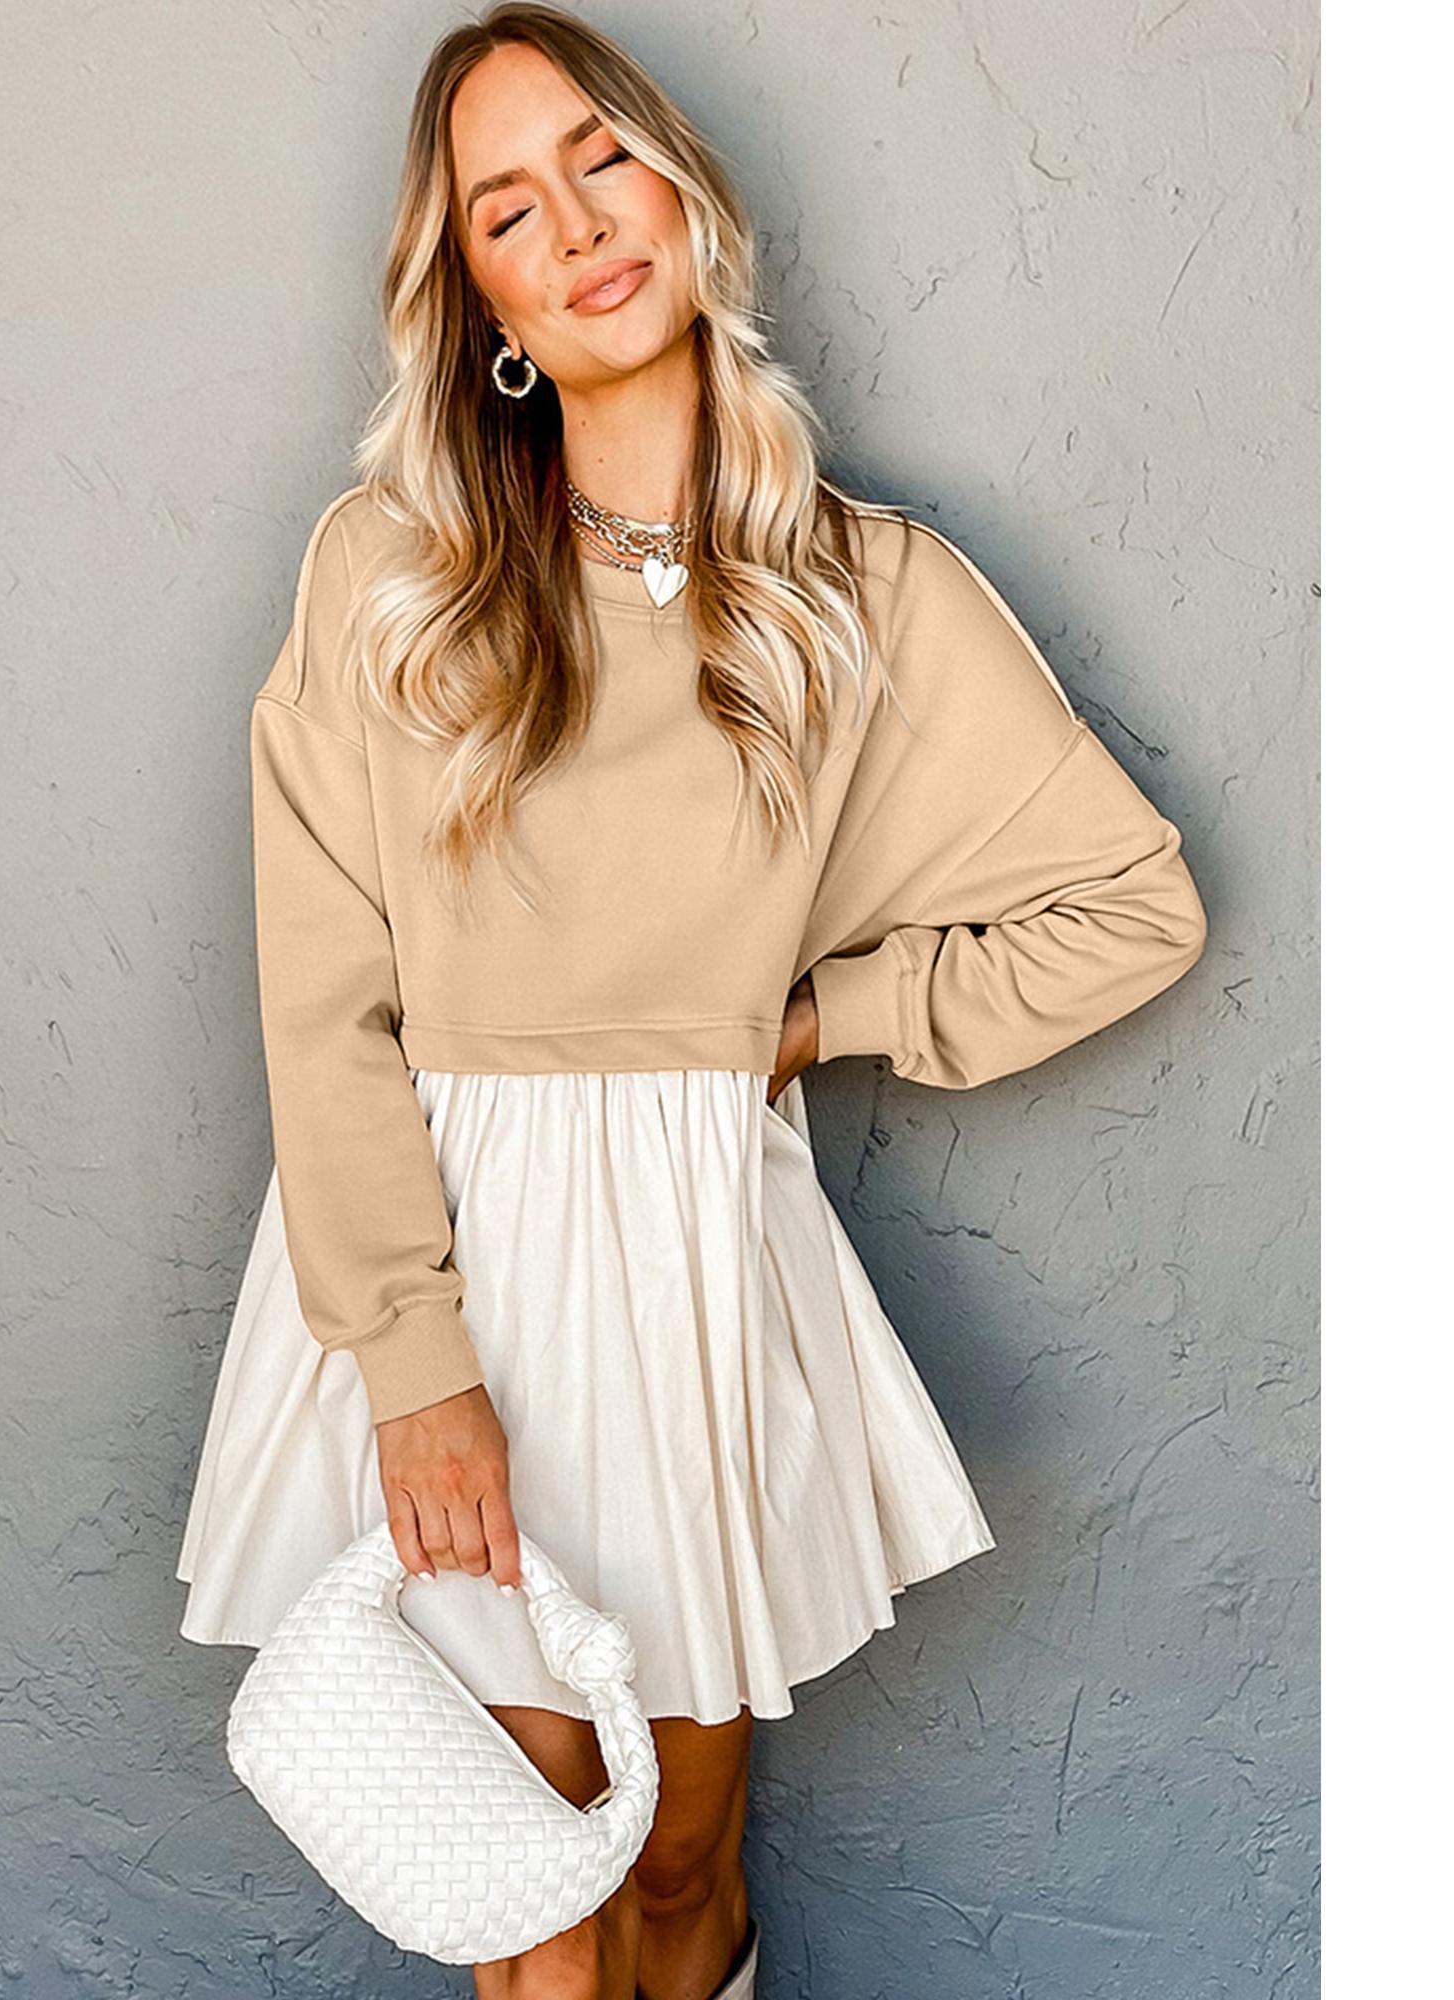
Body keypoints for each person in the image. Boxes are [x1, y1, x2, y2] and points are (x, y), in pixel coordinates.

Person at [175, 6, 1209, 1996]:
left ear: (683, 194)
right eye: (506, 210)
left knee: (673, 1867)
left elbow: (1129, 906)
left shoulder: (865, 593)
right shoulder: (389, 575)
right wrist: (415, 1370)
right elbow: (324, 1007)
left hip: (695, 1266)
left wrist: (820, 1020)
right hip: (449, 1260)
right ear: (482, 305)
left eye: (600, 160)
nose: (574, 225)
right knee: (539, 1893)